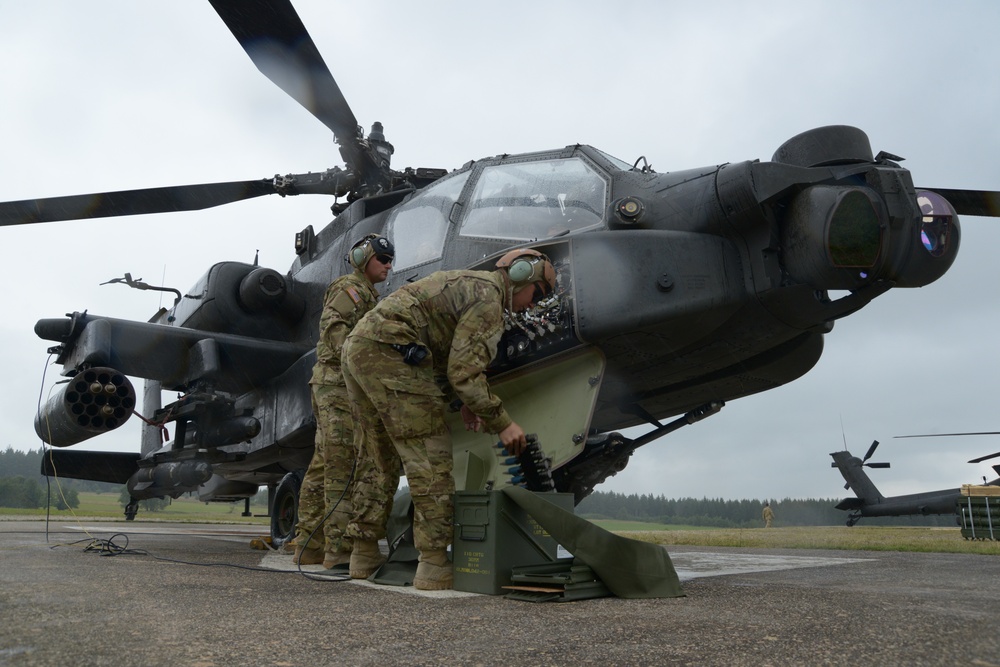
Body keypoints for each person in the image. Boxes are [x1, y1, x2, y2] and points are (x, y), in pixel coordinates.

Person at [342, 248, 556, 590]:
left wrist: (466, 401)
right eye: (539, 293)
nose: (534, 305)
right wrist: (504, 423)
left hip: (360, 348)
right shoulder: (489, 298)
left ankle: (363, 553)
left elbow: (446, 354)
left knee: (377, 457)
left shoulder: (469, 284)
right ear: (519, 277)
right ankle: (434, 563)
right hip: (394, 353)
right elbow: (464, 373)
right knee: (430, 456)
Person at [290, 233, 395, 568]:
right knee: (342, 464)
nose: (388, 266)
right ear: (364, 259)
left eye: (391, 260)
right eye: (382, 259)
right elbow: (336, 334)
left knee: (323, 463)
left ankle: (308, 544)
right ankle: (338, 549)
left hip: (338, 384)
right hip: (338, 384)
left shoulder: (367, 293)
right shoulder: (349, 289)